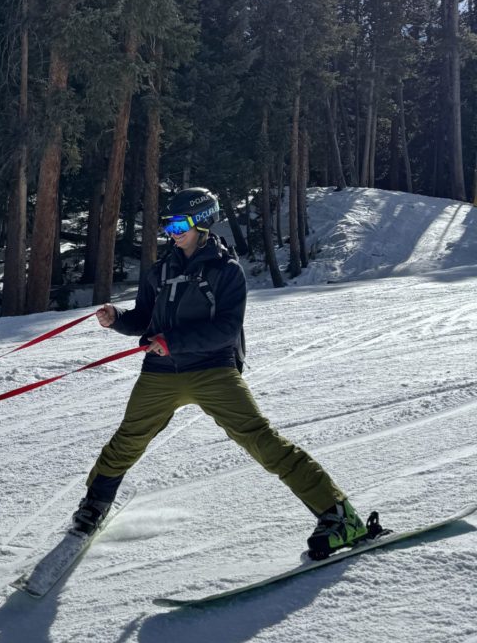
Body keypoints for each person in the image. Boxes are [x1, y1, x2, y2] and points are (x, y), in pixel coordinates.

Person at [74, 187, 368, 559]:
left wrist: (172, 342)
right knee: (127, 440)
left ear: (202, 222)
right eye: (168, 225)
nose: (172, 232)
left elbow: (227, 330)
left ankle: (339, 514)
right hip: (161, 372)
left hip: (213, 370)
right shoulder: (160, 270)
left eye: (179, 224)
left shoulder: (226, 271)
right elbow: (144, 319)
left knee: (262, 441)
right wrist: (117, 320)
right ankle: (94, 505)